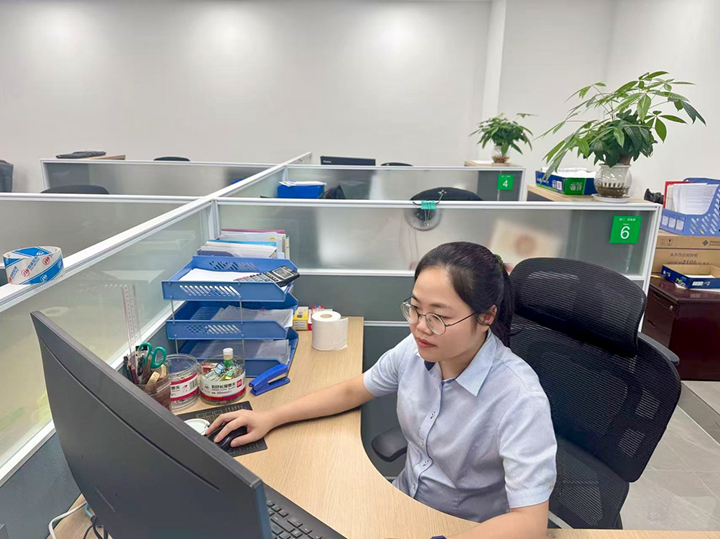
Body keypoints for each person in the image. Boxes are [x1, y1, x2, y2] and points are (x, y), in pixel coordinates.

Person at [207, 242, 557, 539]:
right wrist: (270, 417)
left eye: (439, 317)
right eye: (415, 309)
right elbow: (352, 391)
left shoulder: (519, 398)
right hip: (400, 507)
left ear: (485, 317)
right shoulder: (415, 349)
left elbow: (529, 523)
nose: (420, 327)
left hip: (464, 529)